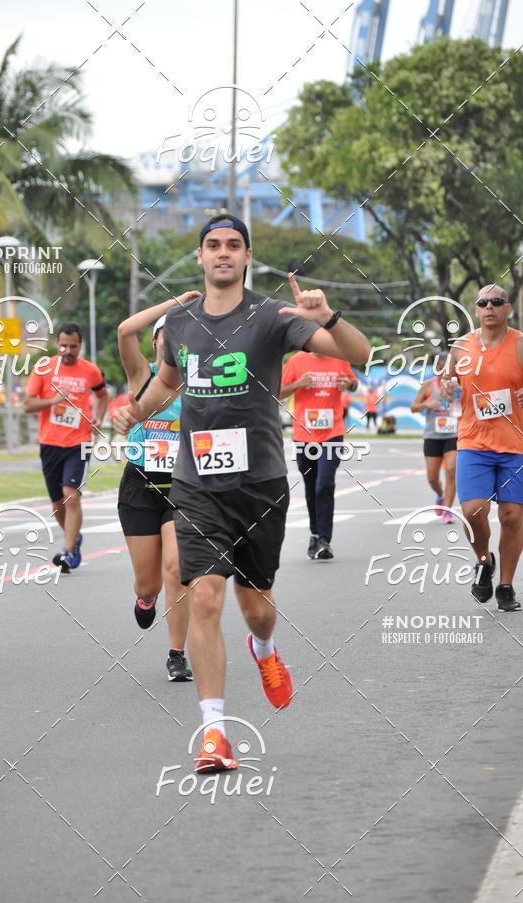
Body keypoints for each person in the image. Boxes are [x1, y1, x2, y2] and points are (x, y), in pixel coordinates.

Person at [114, 214, 371, 772]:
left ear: (248, 256)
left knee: (255, 609)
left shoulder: (274, 316)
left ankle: (264, 649)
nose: (223, 253)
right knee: (202, 594)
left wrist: (328, 316)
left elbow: (358, 354)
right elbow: (167, 381)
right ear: (200, 257)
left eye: (234, 245)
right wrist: (139, 409)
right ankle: (213, 733)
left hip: (258, 484)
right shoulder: (180, 323)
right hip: (196, 482)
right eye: (213, 246)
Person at [117, 292, 200, 681]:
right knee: (149, 581)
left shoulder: (199, 384)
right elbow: (124, 330)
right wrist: (176, 304)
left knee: (177, 567)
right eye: (166, 335)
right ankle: (145, 599)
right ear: (155, 342)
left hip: (182, 487)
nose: (172, 342)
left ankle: (176, 653)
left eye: (181, 335)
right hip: (139, 485)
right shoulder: (141, 376)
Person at [442, 285, 523, 611]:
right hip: (473, 442)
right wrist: (447, 386)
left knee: (512, 516)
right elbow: (448, 382)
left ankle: (505, 585)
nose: (489, 307)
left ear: (508, 309)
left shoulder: (519, 344)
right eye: (483, 303)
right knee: (473, 510)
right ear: (476, 310)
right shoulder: (461, 347)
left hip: (515, 443)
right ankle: (483, 561)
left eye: (497, 302)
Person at [24, 323, 108, 572]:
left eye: (73, 346)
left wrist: (99, 417)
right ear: (56, 343)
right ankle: (74, 537)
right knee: (57, 504)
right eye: (63, 345)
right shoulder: (43, 368)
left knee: (72, 493)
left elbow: (102, 395)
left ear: (80, 345)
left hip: (79, 442)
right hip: (50, 443)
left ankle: (68, 551)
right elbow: (27, 405)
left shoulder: (90, 370)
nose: (68, 350)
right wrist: (54, 400)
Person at [280, 353, 358, 560]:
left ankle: (324, 539)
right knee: (311, 485)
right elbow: (277, 392)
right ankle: (315, 534)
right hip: (304, 434)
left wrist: (348, 385)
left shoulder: (340, 359)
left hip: (332, 433)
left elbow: (354, 384)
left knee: (324, 483)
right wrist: (298, 383)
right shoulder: (296, 361)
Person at [411, 353, 458, 524]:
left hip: (453, 435)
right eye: (440, 367)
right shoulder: (428, 386)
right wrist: (426, 404)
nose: (443, 370)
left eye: (446, 367)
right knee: (432, 478)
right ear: (435, 367)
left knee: (451, 470)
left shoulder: (457, 386)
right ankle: (440, 494)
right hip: (432, 436)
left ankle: (448, 510)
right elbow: (413, 408)